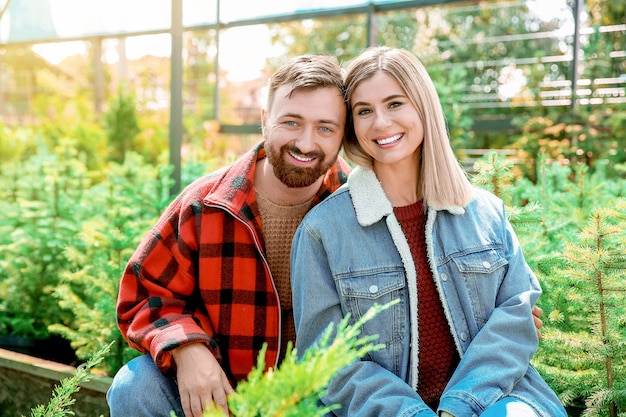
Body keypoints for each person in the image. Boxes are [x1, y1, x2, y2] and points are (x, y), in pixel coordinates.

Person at [290, 46, 566, 417]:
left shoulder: (485, 211)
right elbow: (327, 360)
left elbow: (517, 316)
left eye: (395, 103)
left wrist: (458, 407)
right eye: (364, 111)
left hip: (495, 400)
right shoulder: (323, 231)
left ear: (423, 106)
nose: (381, 123)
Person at [106, 54, 350, 417]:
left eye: (325, 128)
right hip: (220, 399)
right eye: (291, 122)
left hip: (319, 400)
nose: (305, 142)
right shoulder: (205, 205)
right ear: (265, 120)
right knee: (135, 387)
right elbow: (144, 293)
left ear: (343, 134)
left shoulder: (359, 208)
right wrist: (186, 347)